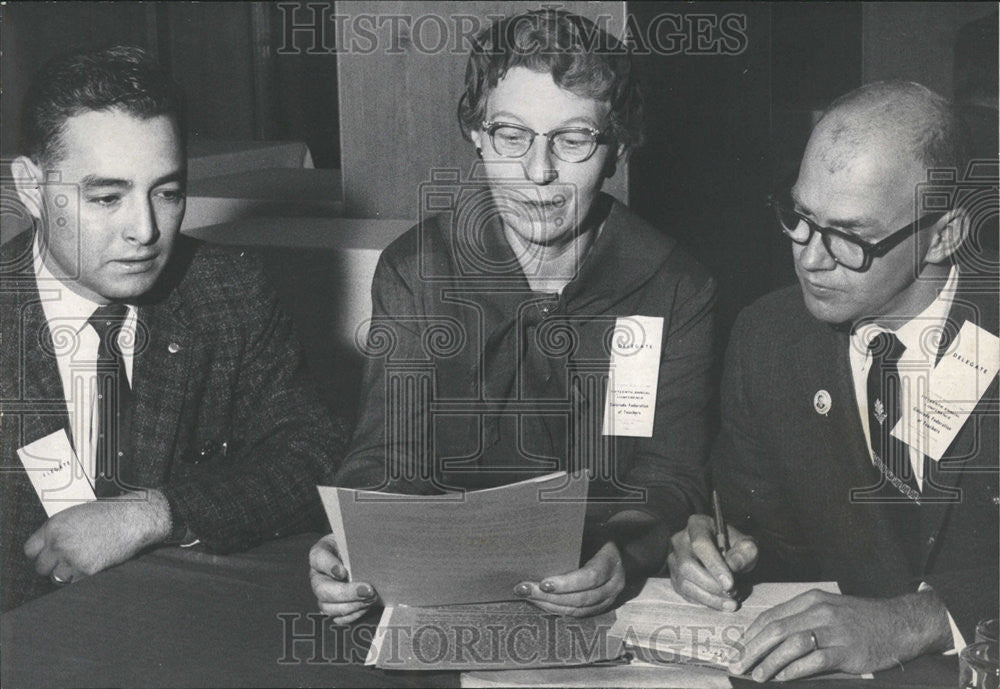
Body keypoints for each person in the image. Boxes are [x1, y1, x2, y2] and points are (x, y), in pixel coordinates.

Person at [310, 9, 716, 622]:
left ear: (618, 148)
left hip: (605, 591)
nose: (539, 171)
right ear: (475, 131)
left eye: (573, 139)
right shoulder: (417, 272)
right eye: (512, 135)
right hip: (445, 586)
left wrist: (625, 553)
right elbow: (389, 455)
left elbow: (672, 474)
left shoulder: (677, 285)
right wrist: (355, 544)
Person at [668, 81, 998, 681]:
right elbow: (769, 532)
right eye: (800, 216)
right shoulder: (768, 339)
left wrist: (914, 619)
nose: (809, 257)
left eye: (849, 236)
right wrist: (723, 548)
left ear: (944, 235)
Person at [1, 46, 345, 611]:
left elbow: (315, 455)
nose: (145, 229)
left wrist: (156, 514)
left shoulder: (226, 290)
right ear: (30, 187)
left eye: (168, 192)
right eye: (107, 197)